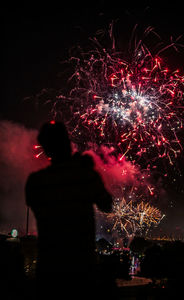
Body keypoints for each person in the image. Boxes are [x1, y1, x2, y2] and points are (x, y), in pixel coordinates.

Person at [25, 121, 113, 299]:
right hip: (82, 268)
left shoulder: (36, 182)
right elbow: (107, 204)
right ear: (67, 143)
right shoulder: (85, 176)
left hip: (49, 268)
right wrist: (86, 169)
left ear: (46, 148)